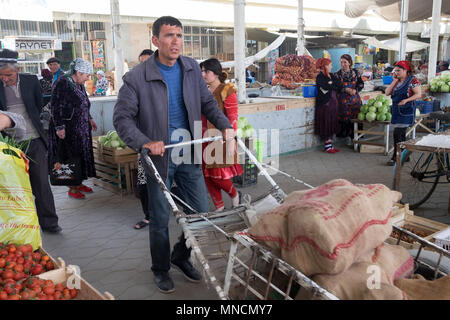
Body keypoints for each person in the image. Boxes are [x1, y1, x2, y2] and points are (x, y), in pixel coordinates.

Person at [113, 16, 234, 294]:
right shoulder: (136, 78)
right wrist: (145, 142)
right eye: (169, 35)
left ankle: (179, 255)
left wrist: (225, 125)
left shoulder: (191, 68)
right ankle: (160, 269)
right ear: (155, 40)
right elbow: (122, 120)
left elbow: (206, 103)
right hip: (157, 159)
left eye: (179, 35)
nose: (176, 41)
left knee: (202, 213)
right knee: (159, 218)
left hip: (188, 154)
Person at [0, 49, 61, 233]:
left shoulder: (30, 81)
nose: (5, 78)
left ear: (17, 70)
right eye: (1, 75)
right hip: (11, 144)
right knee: (15, 186)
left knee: (41, 184)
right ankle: (22, 226)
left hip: (34, 139)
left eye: (8, 74)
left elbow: (37, 105)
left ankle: (50, 223)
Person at [49, 58, 98, 199]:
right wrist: (59, 127)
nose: (88, 78)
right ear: (77, 72)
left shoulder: (78, 83)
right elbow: (55, 106)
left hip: (81, 128)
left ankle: (79, 182)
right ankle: (72, 187)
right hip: (68, 128)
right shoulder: (63, 83)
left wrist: (90, 118)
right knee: (71, 157)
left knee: (82, 156)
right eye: (87, 75)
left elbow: (84, 102)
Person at [199, 58, 242, 211]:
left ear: (216, 73)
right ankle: (219, 207)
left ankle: (235, 195)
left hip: (221, 139)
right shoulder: (202, 91)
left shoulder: (227, 90)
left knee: (218, 175)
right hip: (203, 139)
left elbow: (233, 117)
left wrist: (231, 140)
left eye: (207, 71)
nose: (203, 74)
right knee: (207, 176)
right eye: (202, 71)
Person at [385, 61, 421, 166]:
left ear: (406, 70)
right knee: (401, 135)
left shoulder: (413, 80)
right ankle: (405, 156)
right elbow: (387, 92)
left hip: (406, 110)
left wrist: (406, 100)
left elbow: (418, 94)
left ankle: (396, 157)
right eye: (395, 70)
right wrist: (394, 81)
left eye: (399, 70)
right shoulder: (396, 81)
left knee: (397, 133)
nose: (396, 72)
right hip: (396, 110)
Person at [335, 54, 364, 146]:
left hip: (355, 100)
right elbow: (336, 87)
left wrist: (356, 90)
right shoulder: (337, 74)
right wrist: (345, 89)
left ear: (350, 63)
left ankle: (357, 138)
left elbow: (361, 84)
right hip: (343, 101)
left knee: (357, 118)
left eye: (345, 62)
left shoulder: (356, 73)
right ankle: (347, 139)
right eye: (341, 62)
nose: (343, 64)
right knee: (345, 119)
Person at [314, 58, 341, 153]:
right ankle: (327, 146)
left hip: (333, 104)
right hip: (325, 104)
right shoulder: (320, 77)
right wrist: (331, 85)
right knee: (326, 124)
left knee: (332, 123)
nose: (331, 66)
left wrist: (331, 84)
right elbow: (325, 86)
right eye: (330, 65)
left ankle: (330, 145)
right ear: (325, 66)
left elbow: (339, 85)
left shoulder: (332, 75)